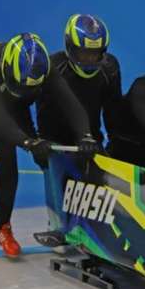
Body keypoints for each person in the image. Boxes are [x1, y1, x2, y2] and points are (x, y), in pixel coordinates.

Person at [0, 33, 99, 261]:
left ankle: (4, 228)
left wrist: (86, 136)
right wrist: (29, 142)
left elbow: (71, 103)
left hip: (7, 92)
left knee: (8, 160)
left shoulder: (43, 69)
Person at [35, 14, 121, 241]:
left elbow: (113, 109)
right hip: (56, 140)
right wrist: (43, 144)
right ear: (71, 48)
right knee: (60, 178)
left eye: (95, 53)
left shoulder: (110, 68)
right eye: (84, 53)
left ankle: (99, 230)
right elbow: (41, 110)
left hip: (90, 139)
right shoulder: (53, 68)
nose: (90, 59)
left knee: (101, 184)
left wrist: (114, 143)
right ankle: (58, 226)